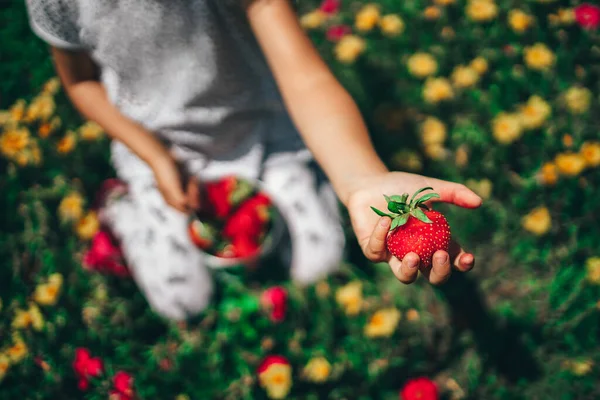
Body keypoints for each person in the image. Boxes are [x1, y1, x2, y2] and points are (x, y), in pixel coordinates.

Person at [25, 0, 482, 321]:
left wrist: (362, 176)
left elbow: (305, 78)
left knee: (319, 267)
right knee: (182, 302)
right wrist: (157, 158)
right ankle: (126, 209)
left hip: (264, 138)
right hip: (160, 152)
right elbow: (80, 82)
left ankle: (305, 187)